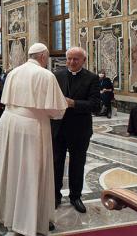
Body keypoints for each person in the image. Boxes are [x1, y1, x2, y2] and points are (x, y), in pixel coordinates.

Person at [0, 43, 67, 235]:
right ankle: (29, 219)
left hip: (9, 121)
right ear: (44, 56)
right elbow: (57, 111)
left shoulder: (13, 72)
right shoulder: (46, 75)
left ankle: (7, 213)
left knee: (10, 167)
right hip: (31, 125)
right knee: (31, 171)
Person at [53, 46, 101, 214]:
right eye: (69, 59)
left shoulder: (92, 78)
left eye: (76, 59)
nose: (71, 62)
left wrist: (74, 103)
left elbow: (96, 105)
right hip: (58, 129)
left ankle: (75, 196)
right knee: (56, 163)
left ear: (84, 61)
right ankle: (55, 196)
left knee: (77, 164)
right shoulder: (56, 75)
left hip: (80, 130)